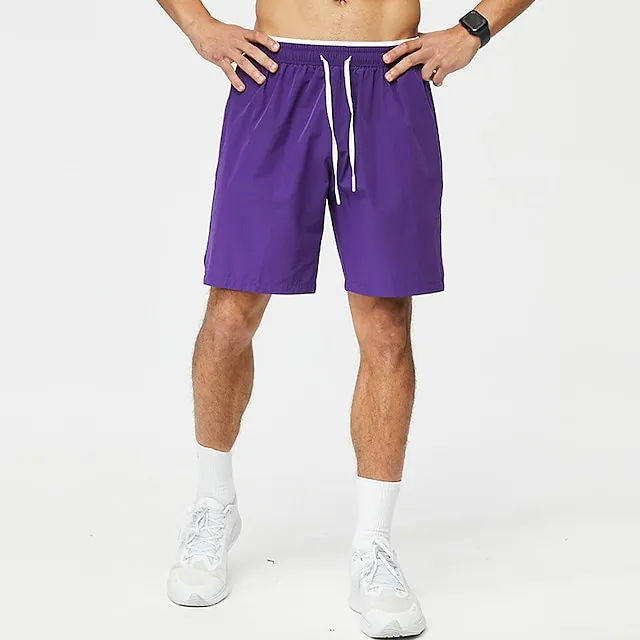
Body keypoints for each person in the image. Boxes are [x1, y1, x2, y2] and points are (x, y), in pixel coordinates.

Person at [156, 0, 534, 636]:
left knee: (386, 325)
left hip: (388, 80)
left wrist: (473, 31)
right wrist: (200, 26)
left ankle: (373, 545)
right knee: (232, 311)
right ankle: (214, 503)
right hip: (275, 75)